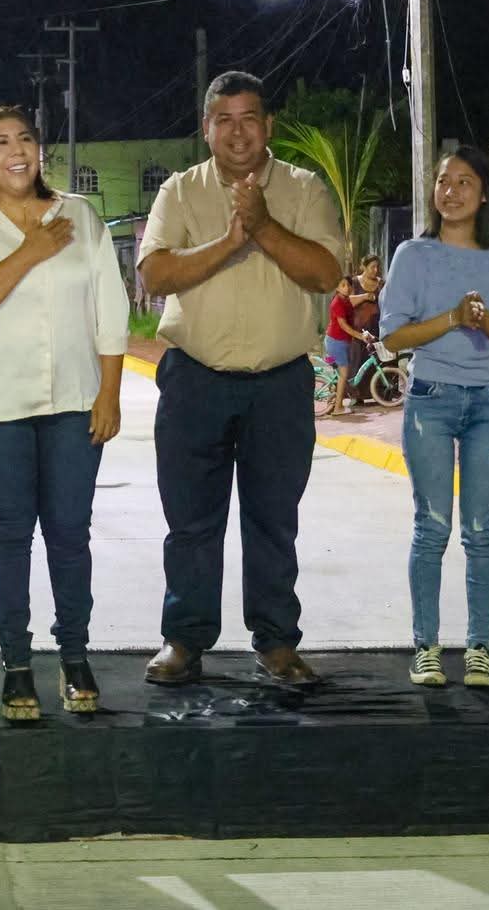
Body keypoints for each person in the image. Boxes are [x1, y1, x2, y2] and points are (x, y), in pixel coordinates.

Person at [139, 71, 342, 687]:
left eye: (248, 117)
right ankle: (185, 640)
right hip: (194, 382)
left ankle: (277, 643)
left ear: (268, 126)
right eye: (223, 119)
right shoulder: (179, 192)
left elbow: (326, 272)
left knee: (273, 520)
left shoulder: (305, 190)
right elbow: (154, 274)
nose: (237, 131)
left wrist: (264, 227)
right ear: (206, 129)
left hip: (279, 385)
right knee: (192, 522)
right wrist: (229, 243)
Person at [0, 106, 128, 721]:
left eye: (25, 139)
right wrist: (32, 249)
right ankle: (17, 662)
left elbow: (111, 308)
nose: (16, 150)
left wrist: (109, 393)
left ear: (39, 150)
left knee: (70, 535)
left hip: (74, 403)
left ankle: (75, 656)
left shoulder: (81, 216)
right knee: (11, 535)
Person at [381, 146, 489, 689]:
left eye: (464, 181)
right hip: (430, 399)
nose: (452, 191)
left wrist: (484, 319)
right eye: (443, 181)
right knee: (432, 528)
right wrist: (449, 318)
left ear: (485, 193)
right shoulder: (412, 255)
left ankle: (479, 648)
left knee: (479, 532)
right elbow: (393, 336)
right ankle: (425, 645)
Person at [325, 274, 374, 415]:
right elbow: (344, 326)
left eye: (348, 285)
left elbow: (352, 302)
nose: (346, 288)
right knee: (344, 373)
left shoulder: (345, 300)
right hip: (336, 342)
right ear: (337, 288)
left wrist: (365, 296)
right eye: (342, 286)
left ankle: (335, 400)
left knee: (341, 373)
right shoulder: (337, 303)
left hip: (341, 342)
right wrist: (359, 336)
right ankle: (338, 408)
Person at [345, 254, 383, 397]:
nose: (376, 270)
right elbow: (345, 301)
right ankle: (355, 395)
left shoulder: (382, 284)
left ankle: (380, 393)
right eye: (372, 267)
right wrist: (365, 296)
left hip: (377, 328)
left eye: (377, 267)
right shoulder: (354, 282)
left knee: (377, 360)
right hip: (357, 330)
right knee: (357, 360)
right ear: (364, 267)